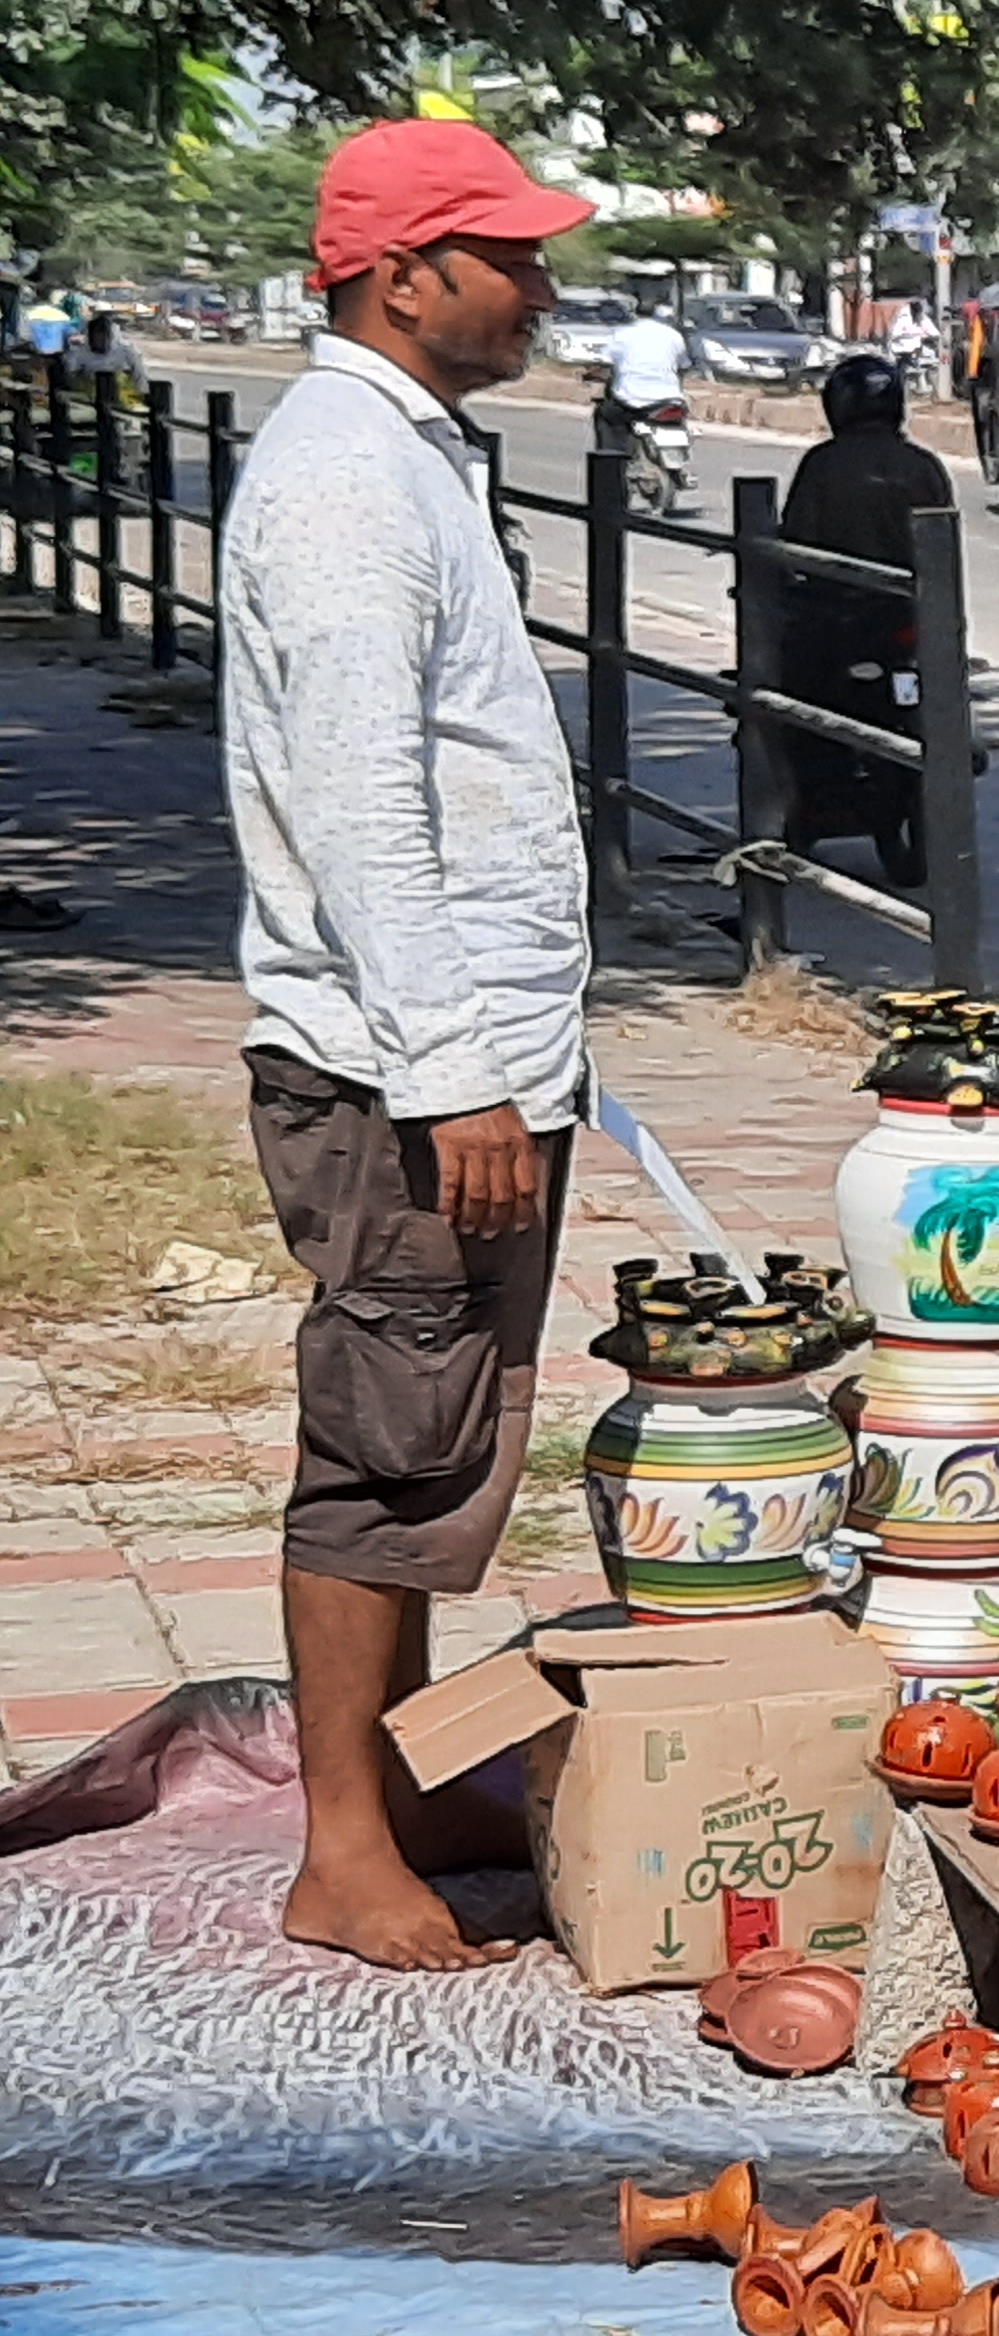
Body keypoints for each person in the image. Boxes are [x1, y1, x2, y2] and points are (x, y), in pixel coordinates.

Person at [216, 115, 596, 1971]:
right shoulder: (350, 480)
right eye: (505, 255)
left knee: (442, 1432)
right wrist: (453, 1066)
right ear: (400, 275)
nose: (538, 286)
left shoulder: (404, 454)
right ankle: (343, 1848)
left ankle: (401, 1784)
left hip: (457, 1045)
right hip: (398, 1070)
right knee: (383, 1437)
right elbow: (365, 798)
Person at [774, 353, 952, 878]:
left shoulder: (823, 464)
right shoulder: (924, 466)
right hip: (910, 616)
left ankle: (808, 790)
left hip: (836, 619)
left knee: (786, 703)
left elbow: (796, 540)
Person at [599, 287, 690, 448]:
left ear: (634, 313)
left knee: (606, 417)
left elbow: (605, 363)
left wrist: (590, 375)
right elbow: (684, 365)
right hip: (669, 400)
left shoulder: (620, 334)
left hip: (629, 399)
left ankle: (612, 465)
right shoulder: (674, 335)